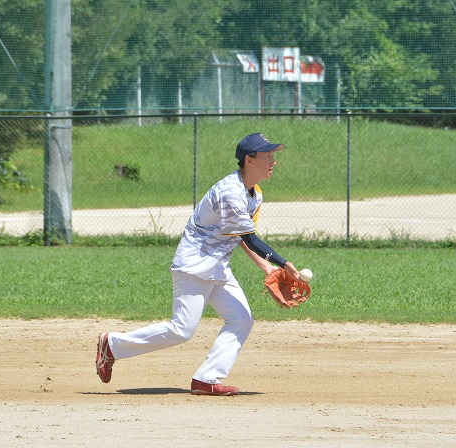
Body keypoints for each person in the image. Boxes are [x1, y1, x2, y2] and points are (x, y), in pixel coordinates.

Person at [95, 133, 302, 396]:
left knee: (241, 319)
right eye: (268, 156)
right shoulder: (231, 192)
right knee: (182, 330)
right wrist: (284, 263)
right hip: (194, 263)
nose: (273, 161)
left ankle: (207, 379)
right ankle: (112, 345)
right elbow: (251, 238)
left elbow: (241, 236)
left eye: (273, 155)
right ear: (249, 160)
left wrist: (267, 268)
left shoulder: (254, 194)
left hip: (217, 265)